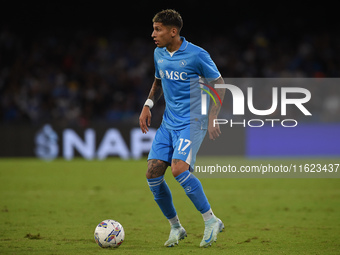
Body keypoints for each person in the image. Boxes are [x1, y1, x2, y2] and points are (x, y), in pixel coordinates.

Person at [139, 9, 225, 248]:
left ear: (173, 31)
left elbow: (219, 84)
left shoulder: (197, 55)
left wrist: (212, 117)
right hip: (168, 122)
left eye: (158, 29)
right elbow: (158, 81)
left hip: (192, 121)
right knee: (153, 174)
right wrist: (147, 105)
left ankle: (211, 220)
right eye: (154, 29)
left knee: (178, 170)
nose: (153, 34)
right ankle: (176, 227)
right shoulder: (159, 53)